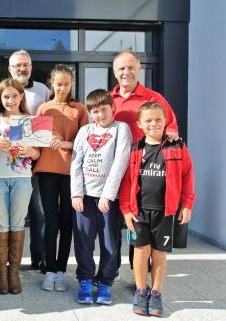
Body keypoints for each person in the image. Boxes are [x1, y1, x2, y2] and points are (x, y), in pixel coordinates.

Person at [119, 102, 195, 317]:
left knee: (159, 254)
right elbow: (127, 181)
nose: (154, 124)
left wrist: (187, 204)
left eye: (158, 120)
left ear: (165, 122)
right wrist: (126, 209)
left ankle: (156, 293)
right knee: (141, 252)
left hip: (165, 211)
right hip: (139, 211)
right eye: (149, 120)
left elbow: (188, 176)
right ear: (140, 124)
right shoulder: (135, 150)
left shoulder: (177, 147)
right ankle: (141, 292)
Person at [111, 50, 180, 277]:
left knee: (139, 226)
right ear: (115, 71)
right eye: (121, 68)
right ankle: (109, 272)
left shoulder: (154, 98)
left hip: (142, 173)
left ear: (139, 68)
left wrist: (170, 134)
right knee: (112, 225)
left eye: (131, 67)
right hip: (112, 172)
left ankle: (139, 276)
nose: (126, 72)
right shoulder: (109, 101)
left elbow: (170, 127)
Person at [0, 49, 49, 274]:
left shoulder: (42, 90)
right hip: (3, 167)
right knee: (2, 217)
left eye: (26, 65)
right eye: (17, 65)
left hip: (33, 165)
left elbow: (45, 126)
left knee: (37, 213)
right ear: (10, 68)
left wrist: (33, 150)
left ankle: (38, 258)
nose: (22, 68)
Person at [70, 89, 132, 305]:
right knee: (83, 241)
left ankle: (105, 281)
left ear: (111, 108)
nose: (100, 115)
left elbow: (120, 162)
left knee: (109, 242)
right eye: (95, 112)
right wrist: (76, 193)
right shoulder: (84, 131)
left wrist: (107, 195)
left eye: (103, 110)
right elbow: (76, 163)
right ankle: (85, 280)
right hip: (84, 197)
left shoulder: (121, 129)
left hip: (109, 198)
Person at [0, 78, 40, 294]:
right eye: (5, 96)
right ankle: (1, 272)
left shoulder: (30, 121)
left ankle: (13, 272)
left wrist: (30, 152)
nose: (10, 100)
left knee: (17, 223)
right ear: (0, 98)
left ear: (21, 96)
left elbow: (37, 153)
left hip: (22, 178)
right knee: (0, 222)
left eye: (14, 96)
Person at [34, 65, 88, 292]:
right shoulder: (43, 108)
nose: (63, 88)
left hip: (71, 172)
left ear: (71, 84)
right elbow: (34, 139)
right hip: (47, 169)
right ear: (52, 84)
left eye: (67, 84)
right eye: (59, 84)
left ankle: (61, 271)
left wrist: (67, 144)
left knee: (67, 223)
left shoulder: (80, 109)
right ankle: (48, 270)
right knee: (51, 221)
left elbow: (87, 142)